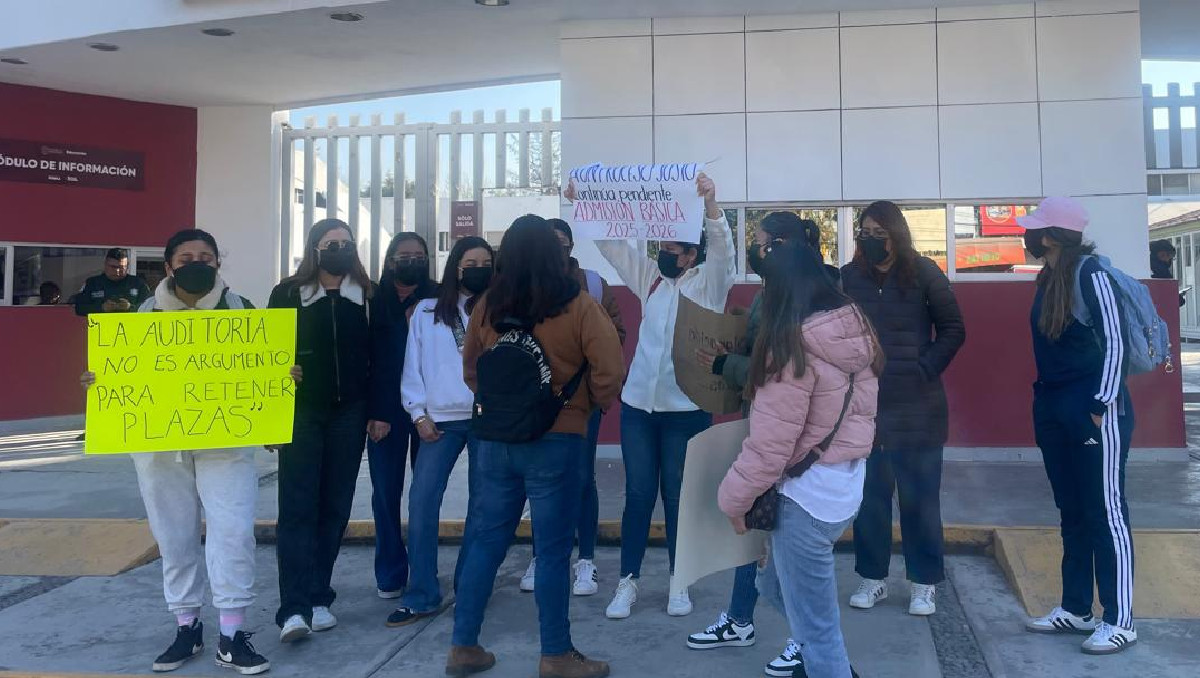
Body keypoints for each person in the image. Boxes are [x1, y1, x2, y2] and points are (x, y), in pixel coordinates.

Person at [80, 229, 269, 675]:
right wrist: (96, 381)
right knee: (174, 534)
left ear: (218, 263)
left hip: (226, 440)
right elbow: (117, 371)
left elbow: (265, 365)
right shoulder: (140, 317)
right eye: (186, 257)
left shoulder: (242, 310)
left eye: (206, 256)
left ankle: (231, 632)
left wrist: (282, 375)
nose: (196, 263)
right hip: (160, 444)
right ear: (168, 266)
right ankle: (187, 625)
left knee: (233, 531)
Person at [448, 215, 625, 678]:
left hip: (494, 440)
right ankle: (556, 654)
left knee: (486, 542)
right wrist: (585, 408)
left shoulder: (487, 305)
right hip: (557, 438)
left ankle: (463, 645)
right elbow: (609, 368)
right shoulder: (579, 305)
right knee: (551, 551)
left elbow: (472, 371)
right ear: (556, 254)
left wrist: (502, 407)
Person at [570, 172, 734, 620]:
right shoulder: (652, 281)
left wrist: (712, 202)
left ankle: (680, 583)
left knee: (679, 498)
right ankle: (628, 581)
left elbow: (724, 250)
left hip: (687, 413)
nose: (660, 254)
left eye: (670, 250)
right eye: (659, 247)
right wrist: (582, 201)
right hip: (640, 409)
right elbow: (612, 246)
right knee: (639, 496)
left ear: (691, 255)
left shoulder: (710, 284)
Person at [717, 240, 881, 678]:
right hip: (843, 488)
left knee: (818, 633)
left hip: (804, 500)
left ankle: (827, 667)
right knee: (770, 584)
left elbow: (769, 447)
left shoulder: (788, 348)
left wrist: (733, 502)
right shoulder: (854, 329)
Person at [686, 213, 830, 676]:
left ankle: (803, 641)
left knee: (788, 543)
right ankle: (741, 618)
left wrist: (725, 364)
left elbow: (777, 372)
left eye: (762, 242)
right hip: (768, 429)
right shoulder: (772, 295)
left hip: (795, 442)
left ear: (783, 245)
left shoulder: (810, 297)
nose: (757, 250)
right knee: (755, 529)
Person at [1018, 197, 1138, 655]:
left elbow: (1116, 341)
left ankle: (1120, 618)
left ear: (1051, 236)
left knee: (1106, 513)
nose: (1027, 236)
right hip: (1052, 403)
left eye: (1033, 229)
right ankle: (1076, 609)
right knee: (1072, 511)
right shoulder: (1049, 277)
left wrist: (1101, 403)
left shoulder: (1092, 274)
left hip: (1092, 408)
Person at [842, 201, 965, 617]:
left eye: (879, 231)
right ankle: (872, 578)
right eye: (865, 231)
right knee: (870, 500)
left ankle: (923, 583)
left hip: (919, 411)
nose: (870, 238)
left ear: (896, 232)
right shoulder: (848, 278)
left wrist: (923, 367)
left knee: (920, 501)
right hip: (865, 412)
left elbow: (953, 329)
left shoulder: (924, 272)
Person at [269, 218, 373, 643]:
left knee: (335, 505)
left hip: (350, 413)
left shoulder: (368, 295)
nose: (339, 249)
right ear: (313, 249)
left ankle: (318, 596)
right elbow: (268, 355)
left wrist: (377, 409)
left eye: (346, 243)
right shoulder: (287, 293)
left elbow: (381, 355)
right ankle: (292, 608)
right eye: (331, 243)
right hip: (300, 412)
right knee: (297, 507)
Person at [386, 236, 493, 627]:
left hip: (487, 421)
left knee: (483, 507)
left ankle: (471, 586)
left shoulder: (502, 309)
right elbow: (411, 366)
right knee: (422, 503)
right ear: (456, 267)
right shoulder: (428, 310)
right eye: (470, 262)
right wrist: (417, 413)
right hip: (438, 422)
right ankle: (422, 593)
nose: (478, 268)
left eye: (486, 262)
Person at [518, 218, 626, 598]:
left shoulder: (593, 285)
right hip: (534, 404)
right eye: (550, 243)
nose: (557, 249)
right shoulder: (524, 287)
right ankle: (541, 556)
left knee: (581, 479)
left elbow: (617, 336)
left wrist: (595, 394)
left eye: (563, 243)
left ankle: (587, 561)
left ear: (571, 246)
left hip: (581, 405)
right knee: (541, 482)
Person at [367, 232, 438, 600]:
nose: (411, 260)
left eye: (418, 254)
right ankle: (391, 571)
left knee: (424, 495)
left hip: (430, 409)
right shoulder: (371, 299)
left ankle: (425, 570)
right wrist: (376, 412)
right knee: (385, 493)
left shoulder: (440, 297)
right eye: (403, 254)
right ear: (390, 260)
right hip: (386, 412)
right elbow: (369, 362)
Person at [73, 247, 151, 316]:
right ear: (105, 265)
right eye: (113, 267)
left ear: (127, 266)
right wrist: (102, 308)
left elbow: (150, 308)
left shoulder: (138, 284)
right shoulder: (93, 283)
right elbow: (79, 308)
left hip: (130, 330)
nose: (117, 271)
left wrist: (130, 307)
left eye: (121, 267)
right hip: (101, 330)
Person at [1149, 239, 1185, 307]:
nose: (1167, 259)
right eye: (1163, 255)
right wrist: (1179, 298)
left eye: (1170, 256)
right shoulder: (1161, 271)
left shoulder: (1149, 266)